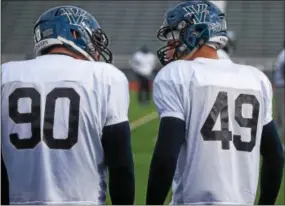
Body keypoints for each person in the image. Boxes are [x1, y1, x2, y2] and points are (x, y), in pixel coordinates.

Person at [146, 1, 284, 205]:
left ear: (195, 33)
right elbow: (275, 156)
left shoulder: (177, 75)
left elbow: (166, 157)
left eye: (173, 39)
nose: (169, 47)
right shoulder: (256, 79)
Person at [1, 6, 134, 205]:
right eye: (94, 39)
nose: (96, 47)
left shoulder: (6, 75)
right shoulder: (105, 76)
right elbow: (120, 164)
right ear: (75, 33)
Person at [273, 42, 285, 138]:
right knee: (282, 116)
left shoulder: (282, 54)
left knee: (280, 117)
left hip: (279, 87)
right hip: (282, 88)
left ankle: (277, 139)